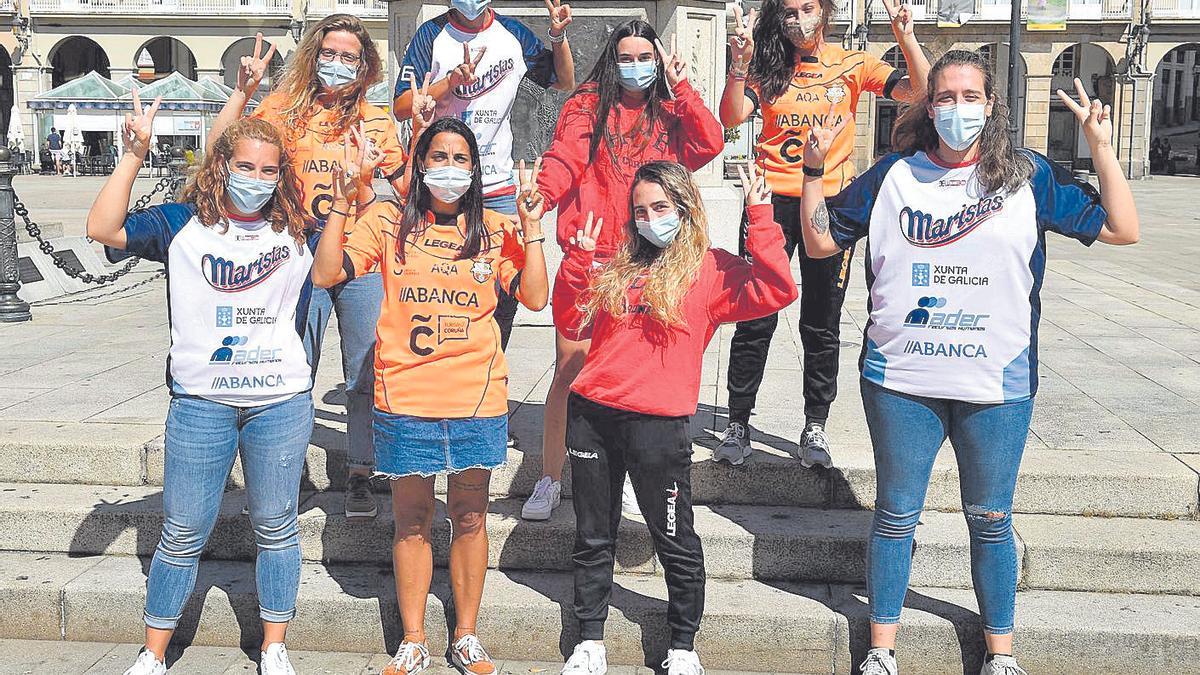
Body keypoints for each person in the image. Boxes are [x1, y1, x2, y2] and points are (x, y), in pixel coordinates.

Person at [797, 51, 1139, 675]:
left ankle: (1000, 654)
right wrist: (815, 171)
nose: (958, 108)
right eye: (946, 96)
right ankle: (881, 649)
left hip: (997, 382)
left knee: (992, 518)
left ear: (992, 105)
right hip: (902, 381)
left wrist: (1101, 146)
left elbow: (1121, 228)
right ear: (929, 107)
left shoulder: (1025, 176)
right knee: (896, 516)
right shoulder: (894, 175)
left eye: (970, 96)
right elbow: (821, 240)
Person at [87, 93, 315, 675]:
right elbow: (102, 227)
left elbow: (349, 258)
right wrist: (134, 154)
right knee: (182, 530)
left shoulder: (297, 227)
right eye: (245, 166)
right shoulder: (182, 222)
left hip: (279, 401)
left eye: (269, 170)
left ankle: (273, 645)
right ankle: (153, 652)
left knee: (277, 525)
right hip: (200, 402)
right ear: (222, 165)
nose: (256, 179)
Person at [311, 116, 548, 675]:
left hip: (476, 399)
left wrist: (532, 228)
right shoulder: (387, 221)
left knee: (469, 517)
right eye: (436, 157)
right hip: (406, 399)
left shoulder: (493, 227)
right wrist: (344, 204)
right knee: (412, 519)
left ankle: (465, 633)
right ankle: (414, 637)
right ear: (419, 166)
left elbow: (535, 296)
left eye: (460, 159)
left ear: (475, 169)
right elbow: (325, 274)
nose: (449, 169)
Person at [553, 160, 796, 675]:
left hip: (658, 427)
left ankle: (683, 644)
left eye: (660, 207)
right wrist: (575, 265)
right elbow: (570, 318)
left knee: (674, 538)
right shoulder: (618, 262)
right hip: (593, 414)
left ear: (684, 208)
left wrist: (761, 215)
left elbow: (777, 289)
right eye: (640, 210)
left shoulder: (711, 268)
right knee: (594, 534)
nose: (649, 219)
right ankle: (590, 639)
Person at [521, 18, 725, 522]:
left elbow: (711, 143)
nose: (635, 68)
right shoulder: (586, 105)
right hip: (590, 258)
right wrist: (542, 196)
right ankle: (550, 476)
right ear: (611, 61)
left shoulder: (669, 110)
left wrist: (682, 88)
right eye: (626, 58)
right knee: (570, 371)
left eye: (645, 58)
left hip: (649, 263)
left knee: (639, 377)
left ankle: (632, 479)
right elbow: (564, 158)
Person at [713, 0, 930, 468]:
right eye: (789, 11)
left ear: (824, 11)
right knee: (754, 316)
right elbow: (731, 116)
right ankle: (737, 422)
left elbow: (918, 91)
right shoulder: (769, 66)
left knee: (822, 317)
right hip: (768, 202)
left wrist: (905, 36)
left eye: (807, 8)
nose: (798, 19)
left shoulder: (852, 63)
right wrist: (740, 64)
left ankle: (815, 424)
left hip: (830, 204)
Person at [209, 18, 409, 520]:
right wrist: (243, 92)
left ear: (365, 66)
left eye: (349, 56)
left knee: (365, 367)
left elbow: (409, 190)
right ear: (312, 55)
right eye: (329, 52)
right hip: (298, 252)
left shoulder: (376, 119)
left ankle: (363, 472)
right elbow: (221, 151)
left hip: (358, 253)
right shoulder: (281, 111)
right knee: (297, 362)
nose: (337, 64)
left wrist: (418, 134)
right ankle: (288, 467)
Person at [393, 0, 576, 387]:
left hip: (496, 186)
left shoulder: (512, 35)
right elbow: (401, 105)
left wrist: (558, 36)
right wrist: (448, 85)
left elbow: (564, 80)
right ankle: (437, 376)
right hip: (442, 180)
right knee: (442, 281)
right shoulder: (431, 35)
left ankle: (487, 375)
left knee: (503, 291)